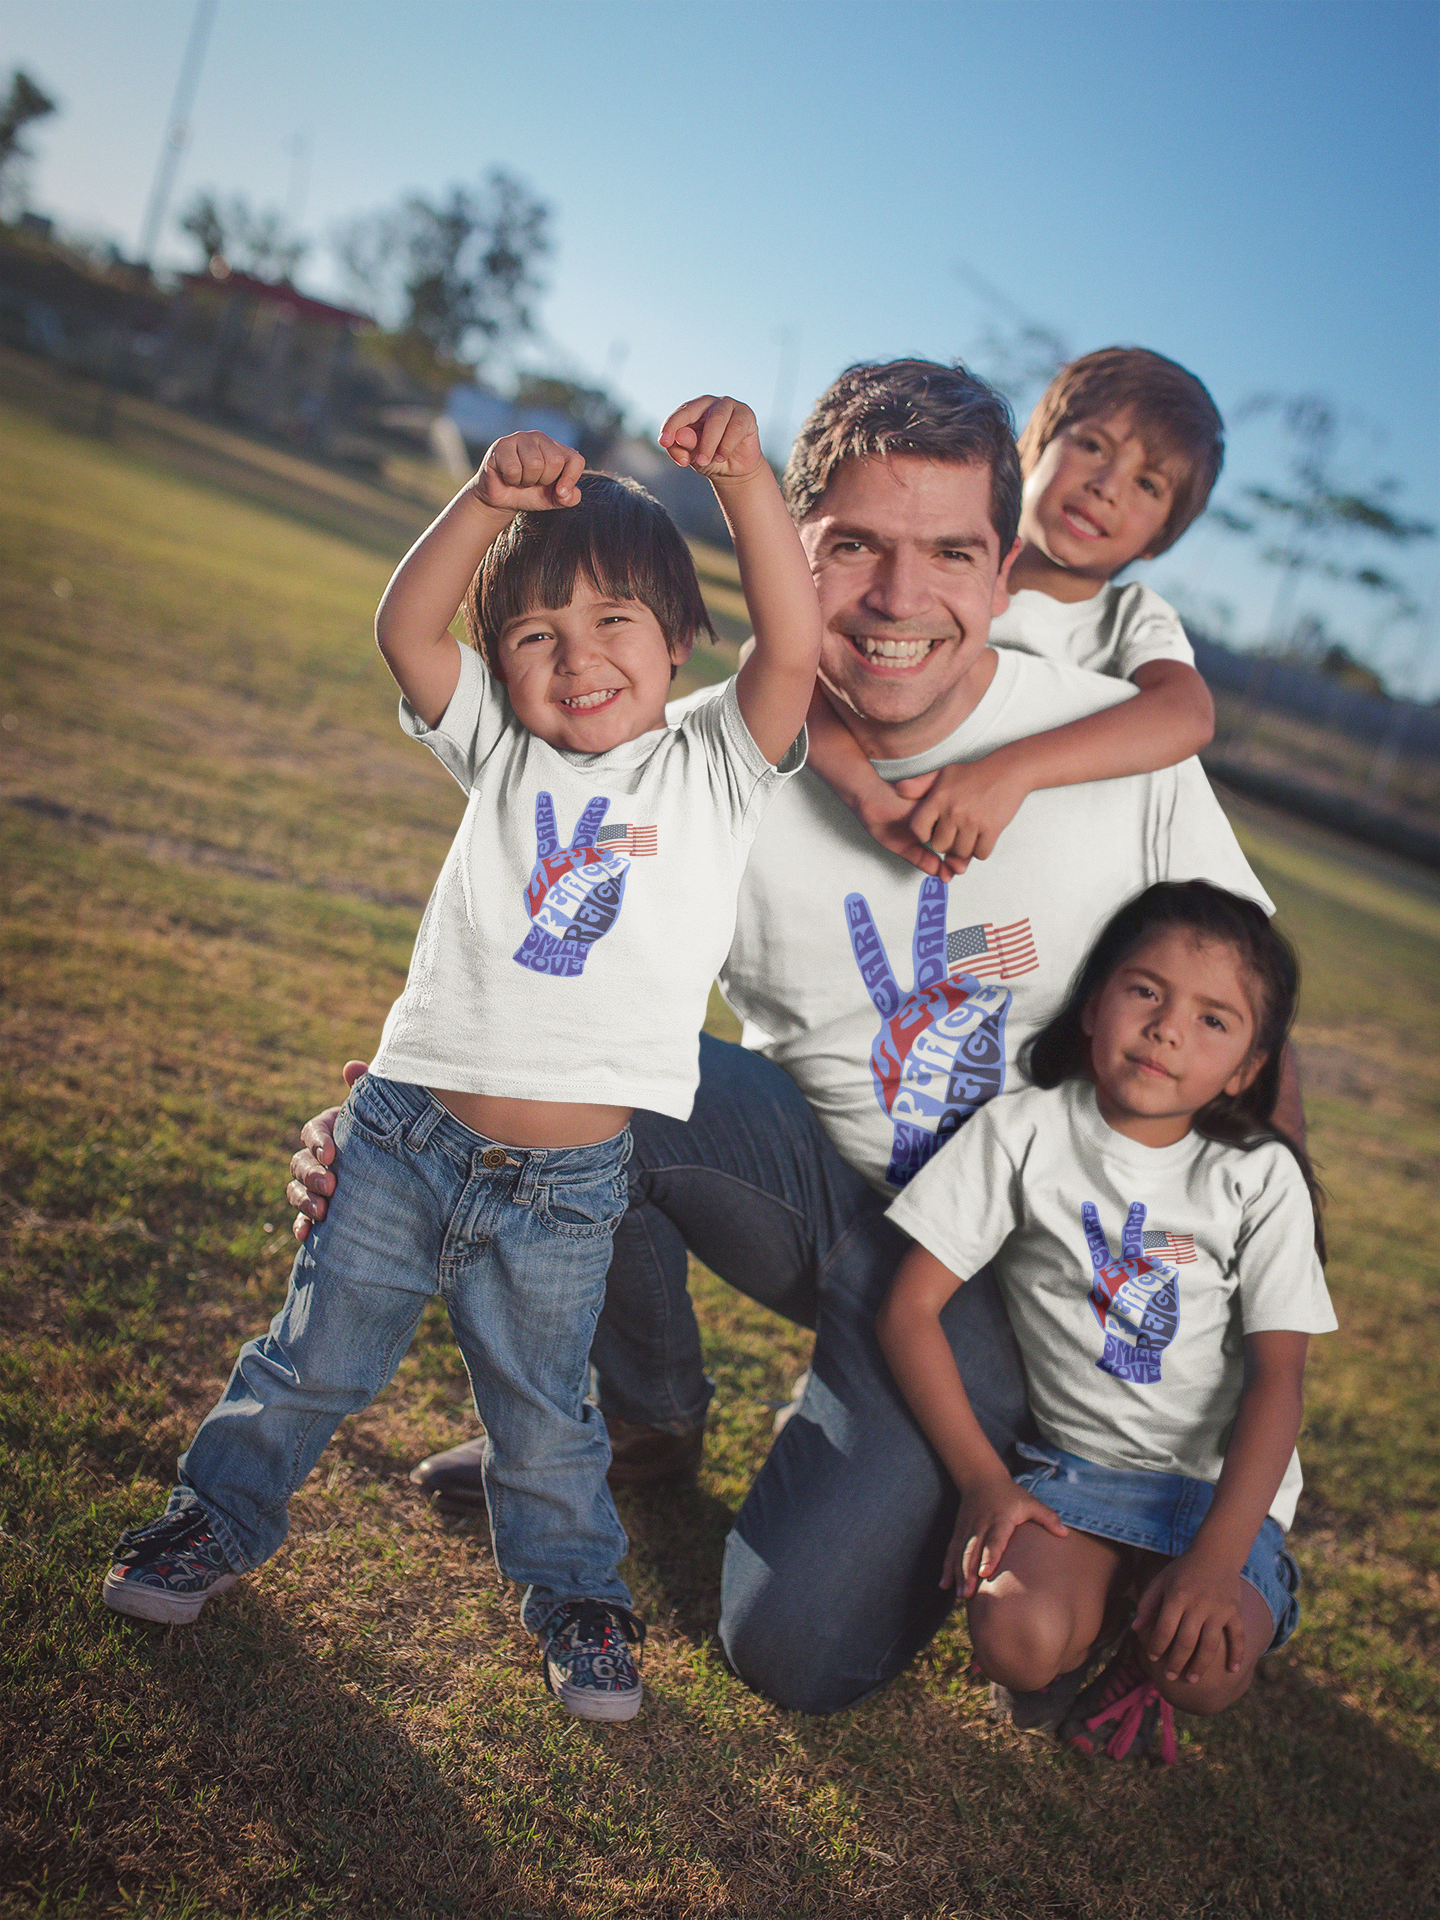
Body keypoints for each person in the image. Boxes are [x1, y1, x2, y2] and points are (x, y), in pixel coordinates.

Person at [290, 358, 1302, 1715]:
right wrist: (394, 1112)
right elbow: (539, 975)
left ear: (1003, 571)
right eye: (852, 550)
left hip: (1013, 1280)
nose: (896, 600)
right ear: (785, 551)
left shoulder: (1117, 754)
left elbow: (1260, 1055)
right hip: (825, 1197)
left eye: (947, 552)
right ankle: (642, 1417)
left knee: (793, 1650)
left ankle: (1010, 1489)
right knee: (609, 1086)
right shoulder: (693, 762)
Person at [102, 395, 820, 1725]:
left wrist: (748, 490)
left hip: (567, 1187)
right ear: (502, 661)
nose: (578, 656)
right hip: (404, 1139)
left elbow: (795, 643)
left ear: (679, 640)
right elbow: (403, 629)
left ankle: (576, 1600)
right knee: (309, 1359)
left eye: (615, 624)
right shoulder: (501, 745)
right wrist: (486, 498)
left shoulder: (713, 763)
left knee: (546, 1418)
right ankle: (210, 1521)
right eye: (537, 634)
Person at [878, 880, 1333, 1762]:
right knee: (1019, 1643)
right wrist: (983, 1480)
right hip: (1078, 1477)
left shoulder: (1257, 1177)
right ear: (1094, 1003)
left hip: (1216, 1496)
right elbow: (908, 1311)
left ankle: (1152, 1625)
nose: (1167, 1027)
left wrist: (1214, 1558)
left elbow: (1280, 1379)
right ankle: (1100, 1605)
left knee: (1203, 1672)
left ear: (1246, 1068)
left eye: (1214, 1019)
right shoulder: (1024, 1131)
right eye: (1146, 990)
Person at [803, 347, 1221, 881]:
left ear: (1160, 539)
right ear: (1035, 447)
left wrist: (1010, 772)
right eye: (1093, 446)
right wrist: (865, 794)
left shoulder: (1129, 618)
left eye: (1148, 485)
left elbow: (1188, 714)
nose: (1107, 487)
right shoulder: (932, 587)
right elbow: (784, 668)